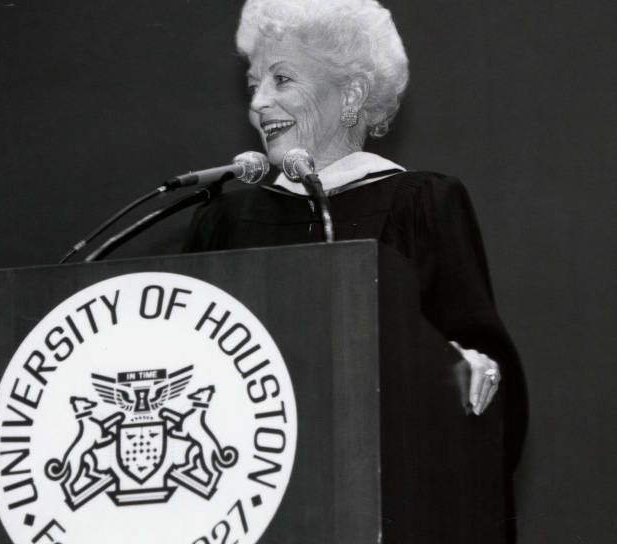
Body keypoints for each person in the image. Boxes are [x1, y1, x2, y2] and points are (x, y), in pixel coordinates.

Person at [184, 0, 527, 538]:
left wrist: (469, 371)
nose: (258, 103)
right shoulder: (222, 221)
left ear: (352, 94)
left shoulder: (419, 204)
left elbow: (482, 366)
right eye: (254, 83)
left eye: (281, 79)